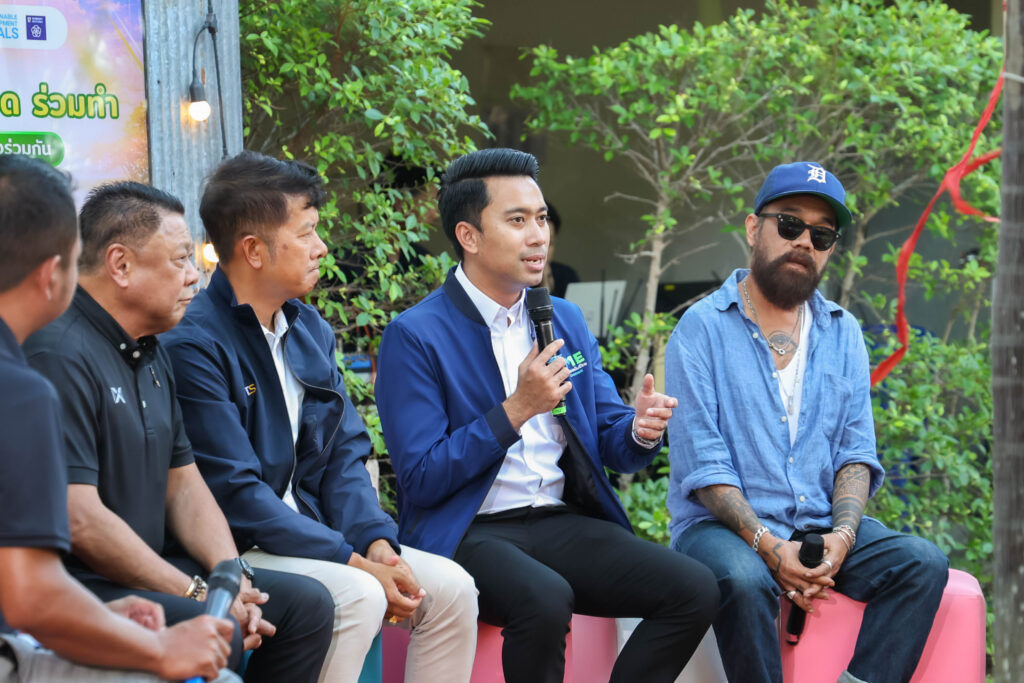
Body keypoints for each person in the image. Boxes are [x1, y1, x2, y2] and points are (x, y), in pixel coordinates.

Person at [374, 147, 719, 683]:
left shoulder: (563, 319)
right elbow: (421, 478)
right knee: (545, 597)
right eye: (517, 221)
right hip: (470, 529)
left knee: (694, 588)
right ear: (468, 236)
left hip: (559, 521)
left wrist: (639, 428)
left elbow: (610, 439)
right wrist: (516, 410)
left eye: (540, 218)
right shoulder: (415, 335)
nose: (538, 236)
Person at [161, 151, 478, 683]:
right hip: (242, 545)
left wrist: (376, 542)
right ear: (253, 250)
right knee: (358, 594)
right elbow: (236, 495)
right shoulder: (194, 343)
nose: (322, 247)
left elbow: (344, 455)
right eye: (306, 233)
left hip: (319, 538)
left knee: (451, 590)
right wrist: (354, 561)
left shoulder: (309, 328)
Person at [23, 181, 335, 683]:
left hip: (154, 566)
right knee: (217, 628)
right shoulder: (58, 352)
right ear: (121, 265)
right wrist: (197, 593)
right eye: (181, 259)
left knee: (305, 606)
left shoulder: (151, 349)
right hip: (79, 583)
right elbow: (80, 518)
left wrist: (232, 578)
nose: (194, 276)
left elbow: (185, 485)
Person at [666, 161, 949, 683]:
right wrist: (769, 546)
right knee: (744, 579)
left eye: (821, 234)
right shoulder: (700, 328)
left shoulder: (844, 333)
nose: (804, 242)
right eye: (790, 224)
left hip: (818, 520)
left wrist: (843, 535)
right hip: (719, 530)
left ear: (831, 249)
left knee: (922, 563)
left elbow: (856, 453)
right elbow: (704, 466)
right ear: (754, 229)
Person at [0, 154, 238, 682]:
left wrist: (104, 618)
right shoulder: (23, 386)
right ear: (51, 274)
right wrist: (160, 649)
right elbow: (31, 598)